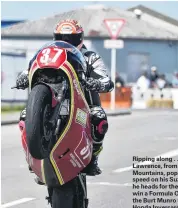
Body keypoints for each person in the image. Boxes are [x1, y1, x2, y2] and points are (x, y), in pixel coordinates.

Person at [16, 19, 114, 178]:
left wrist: (97, 82)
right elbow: (30, 69)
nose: (66, 42)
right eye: (61, 38)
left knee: (99, 118)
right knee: (25, 116)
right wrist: (24, 76)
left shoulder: (90, 57)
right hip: (54, 103)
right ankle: (32, 156)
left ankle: (93, 157)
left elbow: (105, 79)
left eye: (71, 39)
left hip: (84, 108)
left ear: (80, 39)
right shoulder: (49, 56)